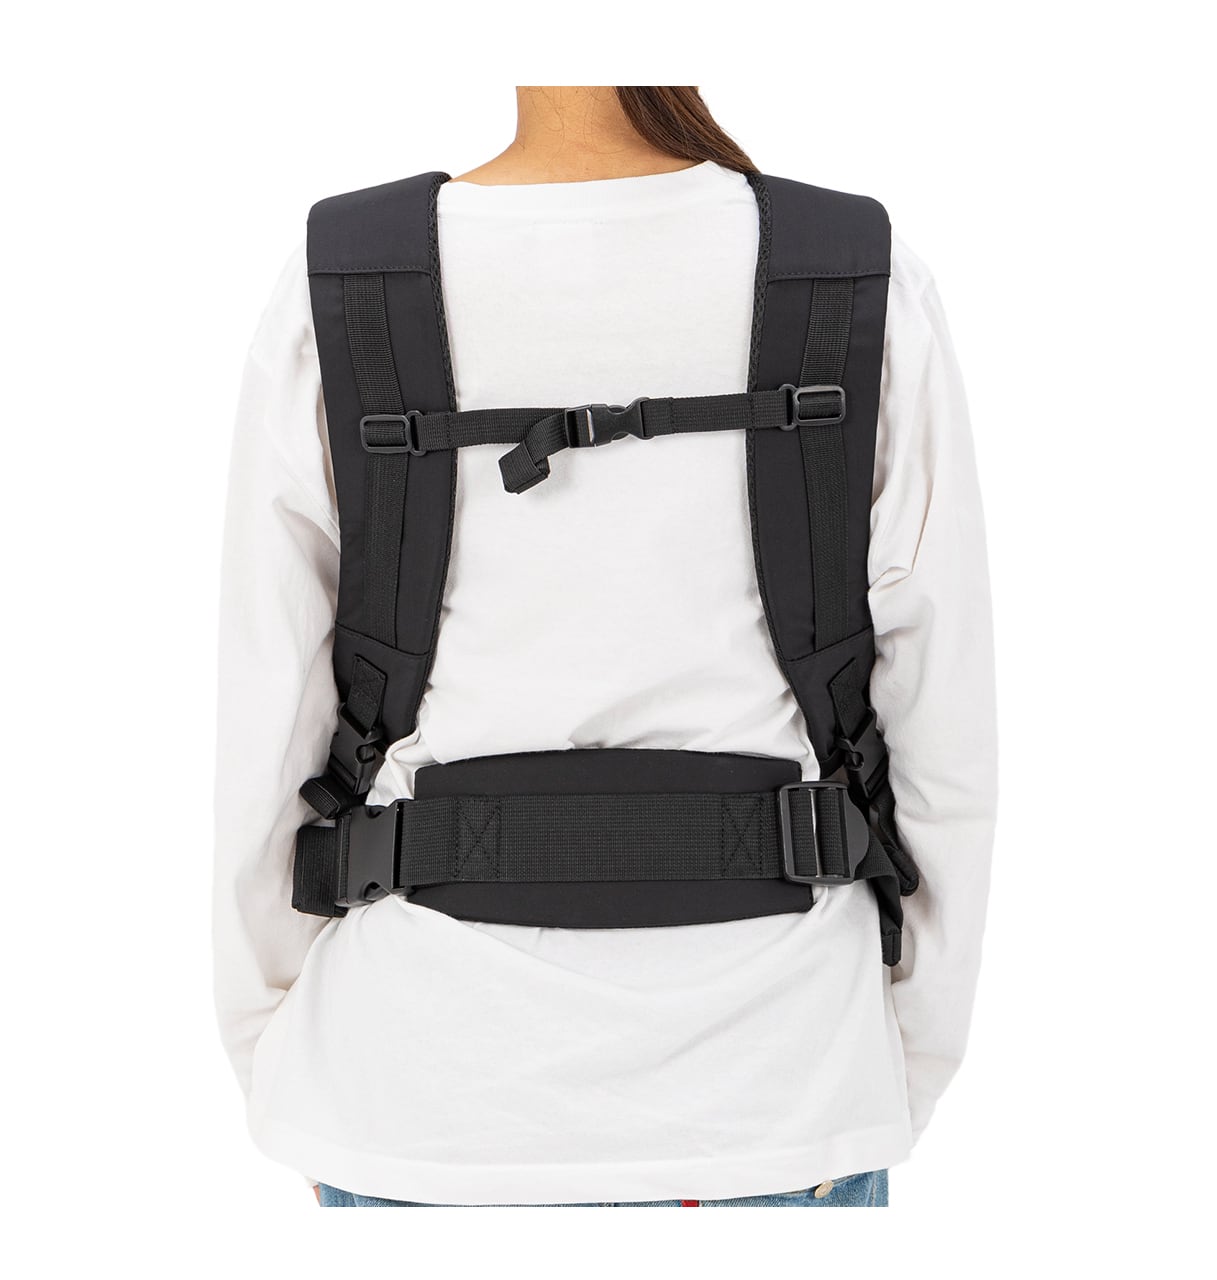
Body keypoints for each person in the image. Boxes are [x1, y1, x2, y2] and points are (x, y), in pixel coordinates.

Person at [212, 85, 997, 1208]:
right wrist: (890, 1067)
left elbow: (265, 712)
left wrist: (285, 1054)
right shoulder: (850, 273)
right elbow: (945, 726)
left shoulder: (343, 280)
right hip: (776, 1087)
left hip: (416, 1087)